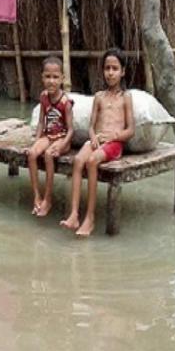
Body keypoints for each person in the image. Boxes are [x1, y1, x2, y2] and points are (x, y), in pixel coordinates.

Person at [61, 49, 135, 237]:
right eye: (107, 68)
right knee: (78, 161)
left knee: (92, 161)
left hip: (114, 144)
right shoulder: (99, 97)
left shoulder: (126, 98)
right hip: (97, 140)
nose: (110, 72)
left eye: (115, 68)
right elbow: (91, 126)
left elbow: (130, 130)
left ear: (122, 72)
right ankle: (74, 214)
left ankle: (90, 218)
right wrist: (93, 136)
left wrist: (114, 136)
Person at [25, 56, 74, 218]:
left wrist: (61, 145)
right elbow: (41, 122)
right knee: (32, 154)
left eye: (55, 77)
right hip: (48, 135)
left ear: (62, 79)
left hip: (62, 138)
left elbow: (71, 130)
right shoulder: (44, 97)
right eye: (47, 77)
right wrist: (36, 140)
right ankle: (36, 196)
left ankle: (48, 198)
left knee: (48, 155)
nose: (51, 81)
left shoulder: (65, 102)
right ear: (42, 77)